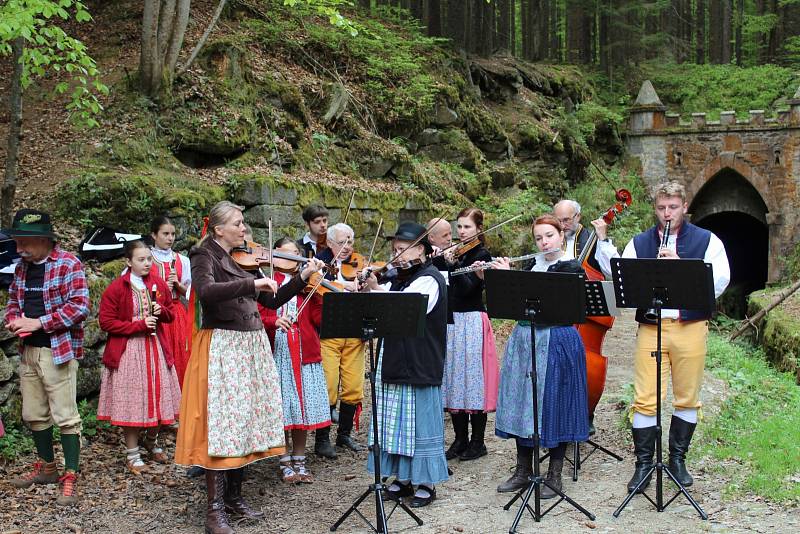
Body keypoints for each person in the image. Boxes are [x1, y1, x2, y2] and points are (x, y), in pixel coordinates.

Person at [174, 201, 322, 534]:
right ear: (218, 229)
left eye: (243, 223)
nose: (244, 229)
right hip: (224, 344)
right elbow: (207, 292)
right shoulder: (204, 255)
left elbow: (272, 300)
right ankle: (214, 511)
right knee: (223, 422)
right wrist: (253, 284)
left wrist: (301, 276)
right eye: (238, 223)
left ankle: (234, 497)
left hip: (251, 345)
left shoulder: (247, 258)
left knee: (244, 419)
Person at [621, 181, 729, 494]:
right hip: (652, 328)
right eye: (661, 207)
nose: (667, 213)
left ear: (684, 207)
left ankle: (677, 460)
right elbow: (624, 278)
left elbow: (720, 279)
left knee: (687, 396)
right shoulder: (640, 243)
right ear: (655, 209)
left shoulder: (708, 241)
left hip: (690, 326)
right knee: (645, 398)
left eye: (673, 207)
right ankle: (643, 464)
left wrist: (682, 269)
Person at [482, 215, 590, 498]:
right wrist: (501, 278)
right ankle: (523, 469)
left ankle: (555, 474)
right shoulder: (532, 265)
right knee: (522, 401)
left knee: (556, 402)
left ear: (561, 236)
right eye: (539, 238)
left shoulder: (571, 268)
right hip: (525, 341)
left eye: (549, 236)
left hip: (557, 340)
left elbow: (558, 307)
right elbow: (513, 304)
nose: (544, 242)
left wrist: (515, 277)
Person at [360, 221, 449, 507]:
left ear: (422, 251)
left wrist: (376, 290)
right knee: (396, 421)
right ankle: (401, 477)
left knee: (418, 421)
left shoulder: (431, 278)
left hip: (420, 361)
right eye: (395, 250)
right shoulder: (398, 278)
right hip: (396, 358)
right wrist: (365, 288)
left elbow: (406, 307)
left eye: (403, 250)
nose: (396, 256)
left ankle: (425, 482)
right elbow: (384, 296)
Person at [4, 208, 90, 506]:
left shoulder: (69, 264)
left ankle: (70, 474)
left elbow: (80, 307)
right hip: (28, 351)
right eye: (16, 242)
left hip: (58, 351)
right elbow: (13, 303)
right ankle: (47, 468)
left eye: (24, 242)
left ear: (44, 239)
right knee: (33, 414)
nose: (19, 249)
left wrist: (38, 323)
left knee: (66, 416)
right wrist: (15, 320)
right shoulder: (21, 268)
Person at [97, 240, 181, 475]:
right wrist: (138, 325)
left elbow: (170, 314)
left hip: (156, 347)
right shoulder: (116, 288)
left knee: (159, 397)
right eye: (141, 260)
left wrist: (160, 312)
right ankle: (133, 455)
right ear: (129, 261)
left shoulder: (157, 283)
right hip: (128, 352)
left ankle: (152, 442)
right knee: (133, 403)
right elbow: (106, 322)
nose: (146, 264)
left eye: (148, 259)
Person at [259, 238, 329, 484]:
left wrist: (321, 294)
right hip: (278, 352)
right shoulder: (268, 283)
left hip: (304, 351)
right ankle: (284, 461)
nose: (290, 260)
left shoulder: (309, 285)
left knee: (302, 408)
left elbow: (320, 320)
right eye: (283, 255)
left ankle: (300, 459)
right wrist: (273, 322)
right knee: (284, 409)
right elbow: (259, 315)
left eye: (295, 255)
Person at [441, 208, 498, 461]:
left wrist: (455, 265)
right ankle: (460, 439)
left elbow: (465, 290)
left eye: (467, 227)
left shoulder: (481, 254)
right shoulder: (453, 252)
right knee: (454, 379)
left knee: (473, 380)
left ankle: (478, 442)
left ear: (478, 229)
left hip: (472, 320)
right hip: (451, 321)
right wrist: (441, 260)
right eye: (459, 227)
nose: (462, 232)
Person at [314, 222, 365, 457]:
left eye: (351, 242)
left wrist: (365, 285)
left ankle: (344, 435)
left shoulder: (358, 264)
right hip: (330, 333)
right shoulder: (318, 263)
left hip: (354, 332)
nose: (347, 247)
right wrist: (343, 288)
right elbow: (316, 290)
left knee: (354, 386)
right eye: (342, 242)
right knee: (329, 386)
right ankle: (322, 440)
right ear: (330, 242)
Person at [148, 216, 192, 388]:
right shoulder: (146, 258)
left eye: (173, 234)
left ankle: (182, 402)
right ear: (154, 234)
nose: (170, 238)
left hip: (177, 313)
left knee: (182, 354)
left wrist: (178, 285)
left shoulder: (183, 260)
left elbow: (191, 294)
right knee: (159, 355)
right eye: (165, 233)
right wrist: (160, 288)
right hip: (155, 314)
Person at [553, 199, 618, 278]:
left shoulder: (594, 240)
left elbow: (613, 272)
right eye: (558, 221)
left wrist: (603, 239)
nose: (562, 226)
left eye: (566, 220)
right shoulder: (553, 239)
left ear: (578, 216)